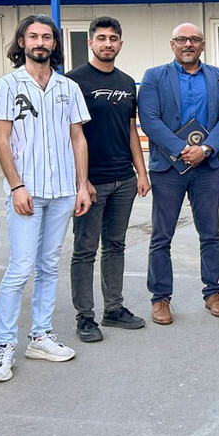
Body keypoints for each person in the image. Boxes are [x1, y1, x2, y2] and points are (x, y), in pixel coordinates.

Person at [0, 15, 91, 383]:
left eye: (46, 37)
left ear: (54, 43)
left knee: (49, 264)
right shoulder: (7, 85)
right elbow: (2, 140)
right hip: (27, 191)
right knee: (20, 268)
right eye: (33, 36)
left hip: (63, 191)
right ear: (21, 42)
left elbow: (77, 138)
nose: (40, 42)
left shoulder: (68, 87)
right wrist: (16, 186)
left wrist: (82, 186)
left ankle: (40, 336)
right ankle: (3, 345)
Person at [138, 23, 219, 325]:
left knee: (210, 234)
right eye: (182, 39)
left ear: (203, 45)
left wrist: (205, 149)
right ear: (172, 44)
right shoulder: (154, 76)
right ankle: (160, 297)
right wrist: (182, 149)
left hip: (206, 168)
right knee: (161, 236)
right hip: (168, 168)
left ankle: (213, 292)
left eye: (194, 39)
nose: (188, 44)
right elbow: (149, 119)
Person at [65, 17, 149, 343]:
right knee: (85, 250)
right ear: (90, 42)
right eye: (101, 38)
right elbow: (70, 135)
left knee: (115, 245)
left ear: (120, 44)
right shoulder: (73, 82)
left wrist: (141, 172)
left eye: (113, 38)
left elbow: (130, 131)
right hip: (91, 183)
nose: (107, 43)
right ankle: (84, 317)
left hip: (123, 179)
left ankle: (113, 309)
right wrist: (81, 181)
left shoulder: (127, 83)